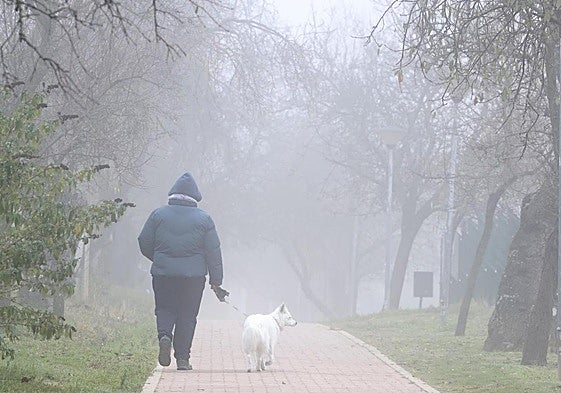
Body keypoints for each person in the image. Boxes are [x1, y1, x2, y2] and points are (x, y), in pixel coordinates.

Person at [138, 172, 229, 370]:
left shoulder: (158, 215)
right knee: (187, 315)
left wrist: (160, 259)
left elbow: (144, 241)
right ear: (194, 197)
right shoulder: (205, 219)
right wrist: (216, 281)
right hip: (193, 278)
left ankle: (164, 336)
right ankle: (182, 359)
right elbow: (213, 251)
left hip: (163, 274)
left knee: (164, 308)